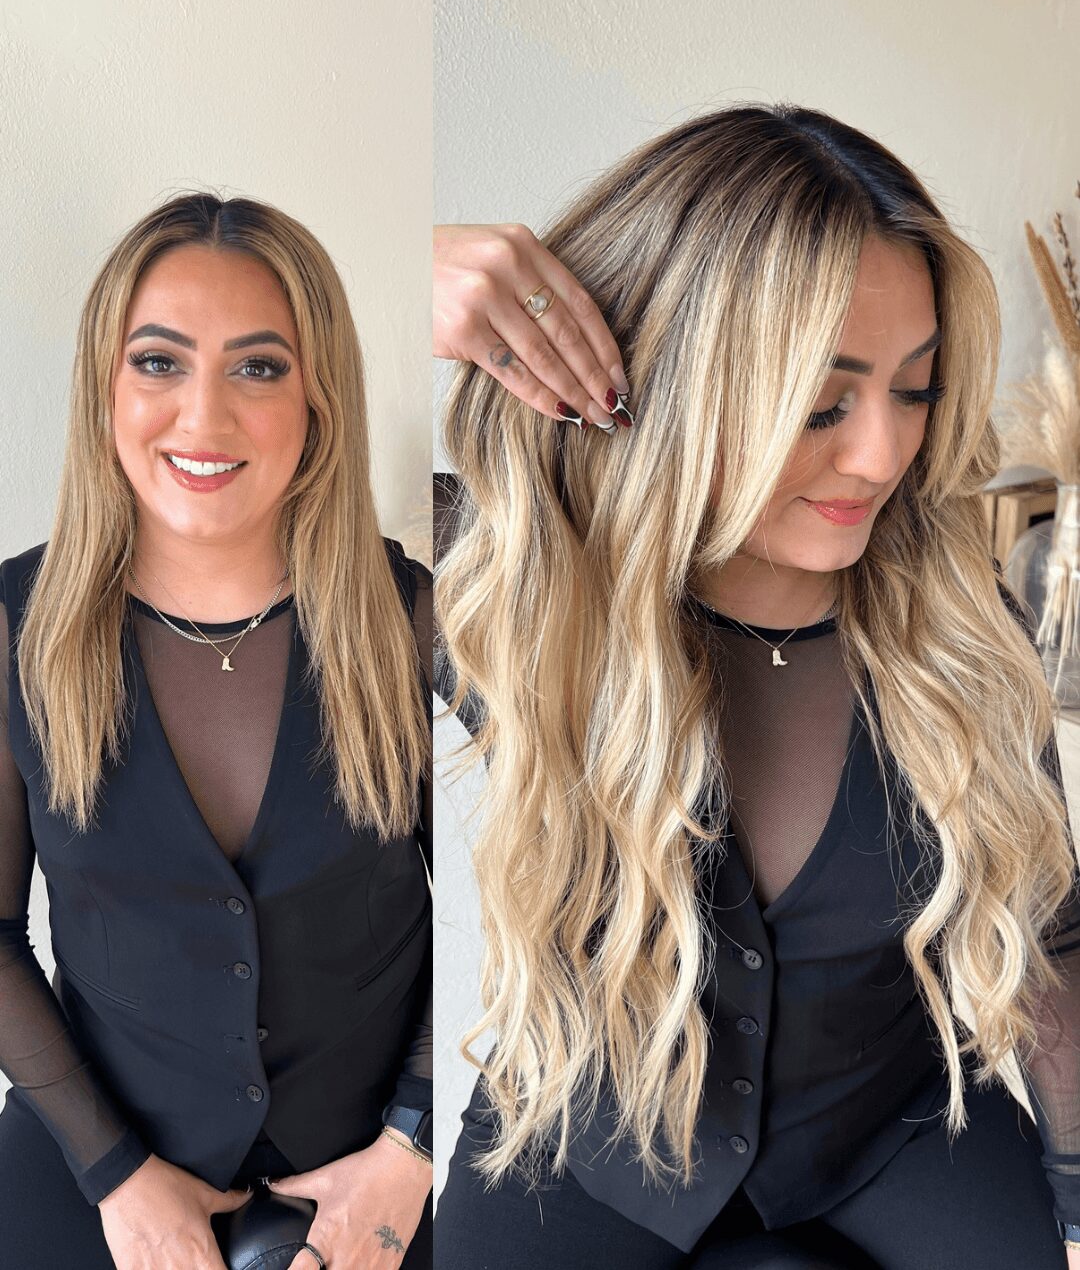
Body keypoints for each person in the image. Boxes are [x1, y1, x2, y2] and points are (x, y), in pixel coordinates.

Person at [430, 105, 1080, 1268]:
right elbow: (243, 497)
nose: (881, 455)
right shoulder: (524, 588)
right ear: (671, 376)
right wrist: (403, 276)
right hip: (584, 1149)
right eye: (822, 402)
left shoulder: (959, 619)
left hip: (895, 1134)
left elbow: (1053, 929)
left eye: (915, 390)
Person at [0, 193, 434, 1268]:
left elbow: (525, 902)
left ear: (318, 398)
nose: (203, 418)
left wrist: (414, 1146)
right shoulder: (12, 629)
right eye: (158, 362)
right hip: (93, 1155)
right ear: (103, 388)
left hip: (378, 1175)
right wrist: (115, 1174)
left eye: (258, 368)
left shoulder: (415, 618)